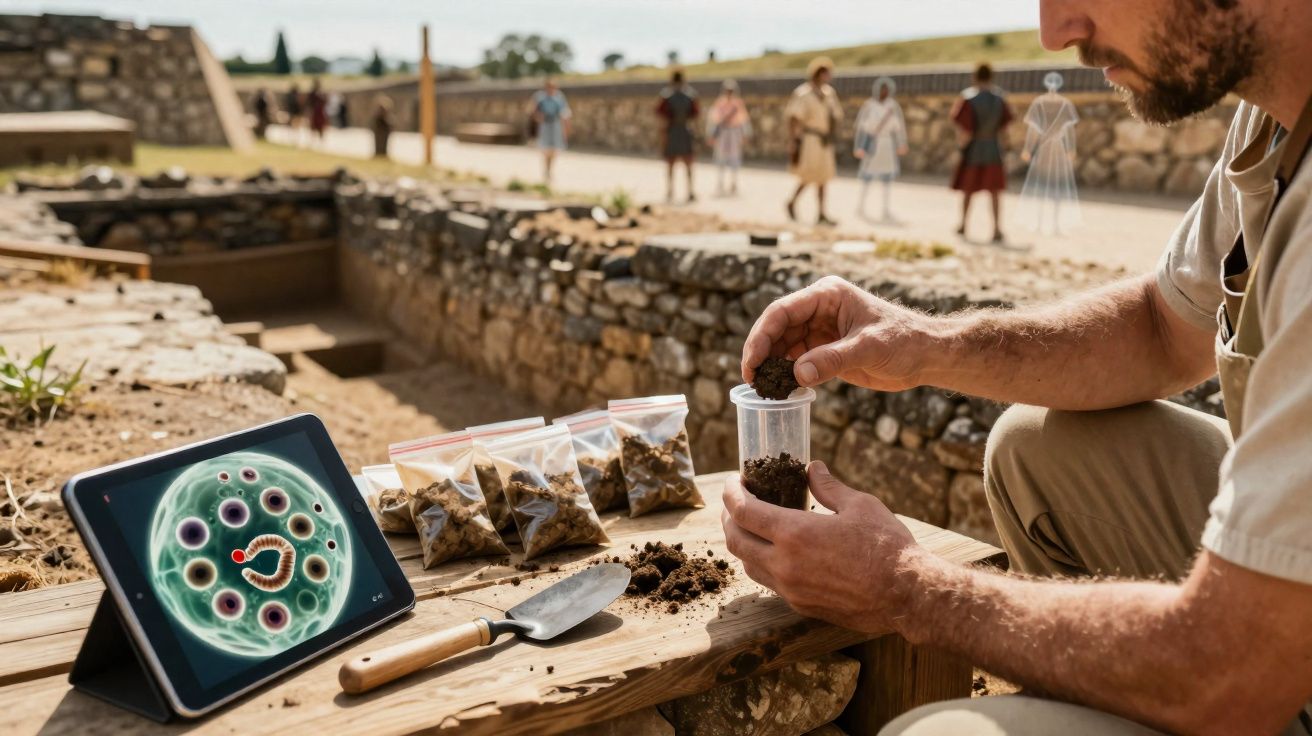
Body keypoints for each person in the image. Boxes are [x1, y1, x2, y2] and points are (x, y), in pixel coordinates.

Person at [725, 1, 1312, 734]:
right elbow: (1163, 329)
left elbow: (1234, 665)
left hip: (1254, 664)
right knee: (1038, 449)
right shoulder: (1273, 124)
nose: (1054, 31)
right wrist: (923, 343)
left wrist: (904, 588)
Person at [950, 63, 1013, 243]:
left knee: (968, 189)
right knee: (994, 191)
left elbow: (966, 131)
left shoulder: (968, 98)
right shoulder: (999, 99)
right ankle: (996, 229)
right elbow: (1004, 129)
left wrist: (961, 147)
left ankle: (963, 224)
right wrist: (1007, 147)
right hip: (993, 147)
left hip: (975, 148)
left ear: (975, 76)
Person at [1018, 71, 1082, 235]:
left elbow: (1033, 131)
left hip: (1044, 147)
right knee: (1055, 185)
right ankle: (1053, 222)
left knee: (1043, 183)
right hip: (1058, 147)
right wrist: (1071, 148)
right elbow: (1069, 131)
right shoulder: (1065, 104)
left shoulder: (1039, 103)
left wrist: (1028, 148)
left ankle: (1042, 221)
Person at [784, 56, 843, 226]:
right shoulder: (804, 93)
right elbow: (794, 117)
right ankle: (792, 201)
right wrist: (794, 139)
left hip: (824, 139)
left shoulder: (829, 93)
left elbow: (835, 115)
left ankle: (821, 213)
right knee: (808, 175)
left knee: (823, 177)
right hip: (810, 138)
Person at [853, 76, 908, 222]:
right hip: (872, 143)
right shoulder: (869, 105)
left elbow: (899, 128)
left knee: (887, 178)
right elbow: (861, 128)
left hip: (887, 144)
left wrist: (901, 144)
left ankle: (885, 208)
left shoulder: (893, 106)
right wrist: (859, 145)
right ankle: (861, 206)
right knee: (867, 176)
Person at [657, 68, 699, 203]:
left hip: (673, 131)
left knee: (672, 164)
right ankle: (689, 191)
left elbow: (661, 116)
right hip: (683, 130)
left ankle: (671, 191)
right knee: (687, 164)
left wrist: (663, 134)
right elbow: (695, 115)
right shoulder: (689, 96)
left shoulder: (667, 96)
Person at [706, 79, 752, 196]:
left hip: (734, 133)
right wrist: (711, 134)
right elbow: (713, 120)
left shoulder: (738, 104)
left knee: (734, 158)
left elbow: (743, 121)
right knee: (720, 158)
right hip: (723, 133)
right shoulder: (720, 103)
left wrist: (745, 134)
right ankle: (720, 182)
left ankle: (733, 182)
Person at [528, 77, 572, 185]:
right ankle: (546, 171)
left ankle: (550, 170)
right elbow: (531, 111)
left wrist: (566, 130)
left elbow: (565, 114)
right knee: (545, 150)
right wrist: (538, 117)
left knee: (554, 150)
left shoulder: (559, 97)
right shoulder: (540, 97)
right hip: (545, 125)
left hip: (556, 125)